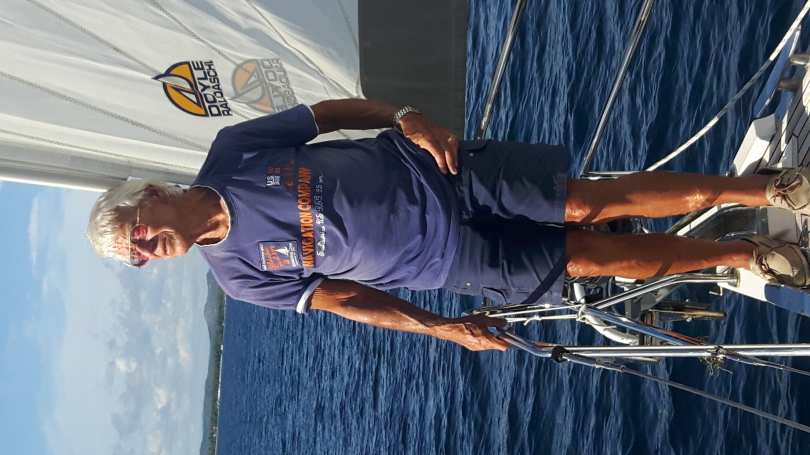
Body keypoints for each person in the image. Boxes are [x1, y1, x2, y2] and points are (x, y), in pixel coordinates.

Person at [86, 99, 810, 351]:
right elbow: (348, 299)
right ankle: (743, 252)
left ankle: (770, 187)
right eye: (136, 258)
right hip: (451, 263)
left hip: (441, 171)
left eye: (136, 235)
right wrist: (442, 328)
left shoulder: (233, 151)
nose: (146, 251)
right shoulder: (239, 279)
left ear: (149, 195)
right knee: (591, 260)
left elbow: (328, 116)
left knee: (587, 203)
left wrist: (406, 117)